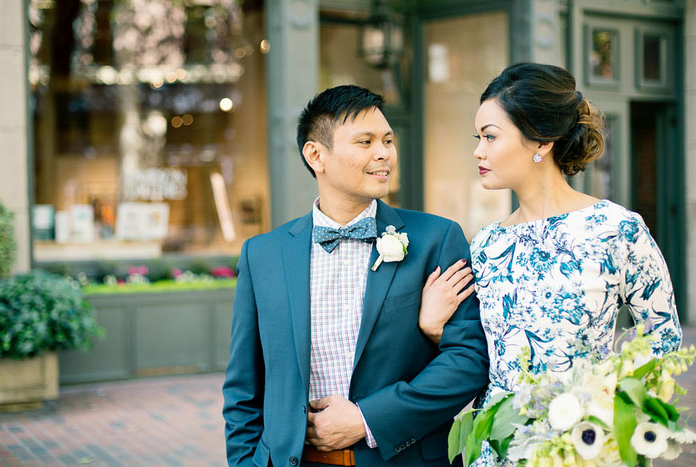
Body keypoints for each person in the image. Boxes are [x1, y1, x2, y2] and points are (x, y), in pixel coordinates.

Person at [417, 63, 683, 465]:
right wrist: (435, 329)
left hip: (583, 449)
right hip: (496, 451)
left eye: (490, 137)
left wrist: (611, 419)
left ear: (540, 142)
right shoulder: (488, 244)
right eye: (478, 137)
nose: (478, 150)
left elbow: (663, 341)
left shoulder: (615, 229)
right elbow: (481, 355)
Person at [222, 84, 489, 467]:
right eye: (365, 142)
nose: (384, 154)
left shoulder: (436, 239)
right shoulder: (263, 254)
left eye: (387, 140)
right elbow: (243, 388)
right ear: (316, 155)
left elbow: (469, 360)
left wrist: (367, 419)